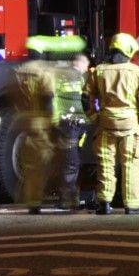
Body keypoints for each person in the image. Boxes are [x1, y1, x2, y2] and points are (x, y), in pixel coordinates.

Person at [85, 33, 139, 215]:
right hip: (130, 126)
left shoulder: (98, 71)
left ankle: (104, 203)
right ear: (129, 51)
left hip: (106, 124)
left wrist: (94, 117)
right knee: (130, 164)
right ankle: (132, 205)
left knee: (105, 164)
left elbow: (86, 97)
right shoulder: (138, 72)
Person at [14, 37, 56, 214]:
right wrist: (52, 120)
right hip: (41, 122)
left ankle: (30, 199)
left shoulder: (18, 71)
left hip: (25, 121)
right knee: (42, 163)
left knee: (29, 164)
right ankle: (36, 201)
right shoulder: (44, 72)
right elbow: (48, 99)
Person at [50, 51, 90, 210]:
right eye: (86, 65)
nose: (87, 69)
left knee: (67, 160)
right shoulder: (78, 78)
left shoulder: (60, 76)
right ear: (79, 63)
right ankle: (68, 199)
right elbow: (86, 101)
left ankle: (69, 197)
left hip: (65, 124)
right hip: (74, 124)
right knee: (72, 162)